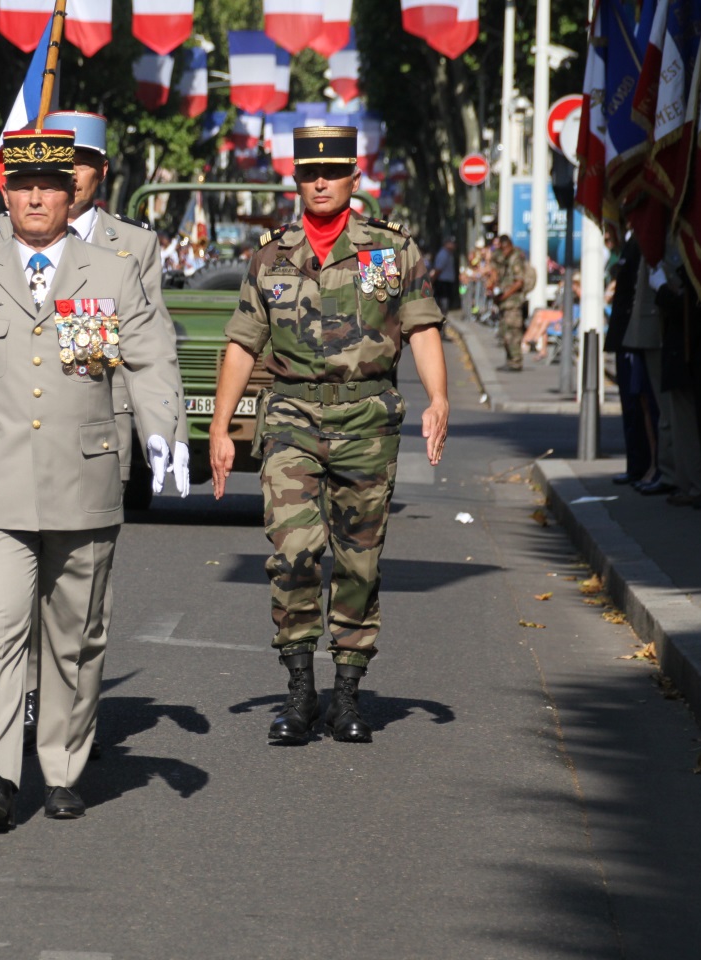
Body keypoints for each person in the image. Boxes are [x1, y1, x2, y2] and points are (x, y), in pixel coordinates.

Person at [0, 128, 183, 828]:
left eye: (51, 186)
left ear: (74, 195)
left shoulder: (112, 271)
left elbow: (151, 356)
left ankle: (63, 766)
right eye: (23, 186)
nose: (36, 198)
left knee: (74, 636)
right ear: (5, 193)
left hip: (84, 480)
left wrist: (163, 430)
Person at [209, 125, 449, 746]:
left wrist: (438, 398)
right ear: (296, 179)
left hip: (367, 418)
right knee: (292, 554)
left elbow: (421, 327)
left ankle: (346, 694)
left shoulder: (391, 251)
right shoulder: (270, 255)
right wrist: (220, 425)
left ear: (353, 177)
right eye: (309, 172)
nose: (320, 181)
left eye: (333, 171)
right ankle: (298, 692)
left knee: (358, 561)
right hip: (290, 417)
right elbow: (242, 342)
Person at [0, 109, 193, 748]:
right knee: (15, 589)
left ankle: (66, 715)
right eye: (53, 163)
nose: (64, 177)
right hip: (15, 435)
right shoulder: (3, 233)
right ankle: (25, 700)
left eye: (77, 164)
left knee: (77, 596)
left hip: (96, 434)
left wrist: (166, 427)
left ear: (100, 172)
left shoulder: (131, 247)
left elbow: (150, 346)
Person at [493, 234, 528, 371]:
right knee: (505, 333)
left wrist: (505, 295)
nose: (504, 251)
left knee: (513, 332)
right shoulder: (505, 260)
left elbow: (519, 281)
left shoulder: (515, 259)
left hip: (513, 302)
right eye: (502, 249)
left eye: (505, 248)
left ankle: (516, 361)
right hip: (506, 303)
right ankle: (510, 360)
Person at [430, 236, 457, 315]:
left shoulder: (449, 254)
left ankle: (443, 314)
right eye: (451, 243)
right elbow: (438, 269)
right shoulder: (443, 254)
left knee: (445, 300)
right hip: (442, 281)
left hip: (447, 281)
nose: (454, 245)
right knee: (442, 300)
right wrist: (432, 280)